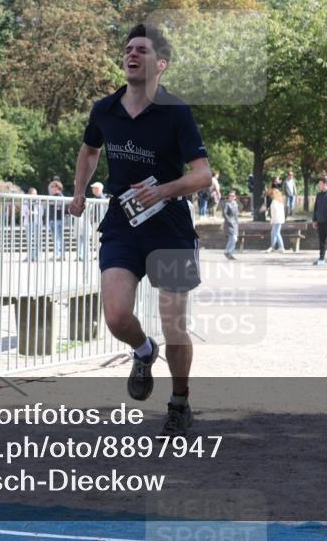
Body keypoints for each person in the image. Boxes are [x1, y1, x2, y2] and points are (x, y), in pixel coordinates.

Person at [68, 23, 212, 435]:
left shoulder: (176, 112)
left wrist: (163, 191)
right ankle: (143, 350)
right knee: (115, 315)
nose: (132, 54)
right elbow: (89, 150)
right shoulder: (104, 110)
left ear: (160, 64)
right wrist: (79, 192)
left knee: (174, 325)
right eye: (128, 48)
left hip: (169, 227)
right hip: (122, 224)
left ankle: (179, 401)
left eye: (142, 50)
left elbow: (202, 175)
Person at [22, 187, 44, 262]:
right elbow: (23, 212)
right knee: (29, 241)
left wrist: (32, 212)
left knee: (37, 240)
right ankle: (29, 256)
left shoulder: (39, 201)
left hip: (37, 223)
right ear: (29, 194)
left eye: (35, 193)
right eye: (33, 193)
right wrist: (29, 212)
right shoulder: (25, 201)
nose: (34, 195)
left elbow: (41, 212)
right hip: (28, 223)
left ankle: (37, 256)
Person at [47, 180, 67, 260]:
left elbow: (60, 207)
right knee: (55, 238)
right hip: (52, 219)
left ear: (58, 187)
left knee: (58, 238)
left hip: (58, 219)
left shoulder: (60, 196)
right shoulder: (52, 196)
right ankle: (59, 254)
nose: (51, 188)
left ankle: (59, 254)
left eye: (53, 186)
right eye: (51, 187)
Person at [266, 188, 286, 253]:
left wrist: (272, 221)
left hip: (276, 220)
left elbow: (274, 213)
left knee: (276, 233)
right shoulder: (280, 201)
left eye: (272, 194)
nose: (271, 195)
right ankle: (273, 247)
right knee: (273, 233)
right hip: (279, 220)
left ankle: (281, 247)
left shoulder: (274, 202)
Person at [222, 189, 239, 260]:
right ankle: (228, 252)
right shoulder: (227, 204)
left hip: (235, 224)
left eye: (232, 196)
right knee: (233, 238)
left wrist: (237, 223)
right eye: (229, 196)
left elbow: (236, 215)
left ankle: (228, 252)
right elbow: (224, 214)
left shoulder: (235, 204)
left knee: (232, 239)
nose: (231, 197)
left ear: (235, 197)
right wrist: (229, 221)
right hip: (230, 224)